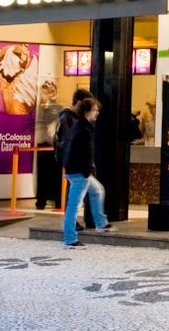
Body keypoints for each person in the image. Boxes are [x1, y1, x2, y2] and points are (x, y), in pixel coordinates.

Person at [60, 97, 111, 247]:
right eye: (95, 110)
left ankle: (101, 223)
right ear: (87, 111)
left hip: (78, 170)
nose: (97, 112)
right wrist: (87, 170)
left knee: (97, 190)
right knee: (74, 206)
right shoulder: (83, 130)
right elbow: (85, 153)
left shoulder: (79, 127)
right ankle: (70, 239)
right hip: (80, 172)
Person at [52, 88, 96, 227]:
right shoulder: (68, 118)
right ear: (79, 102)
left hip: (76, 160)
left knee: (79, 190)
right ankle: (71, 221)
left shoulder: (74, 118)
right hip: (74, 161)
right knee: (75, 190)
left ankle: (75, 220)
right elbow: (68, 140)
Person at [34, 81, 63, 210]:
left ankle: (56, 200)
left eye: (51, 91)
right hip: (45, 144)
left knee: (54, 174)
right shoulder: (41, 108)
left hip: (52, 144)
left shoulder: (56, 108)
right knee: (44, 174)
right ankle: (43, 200)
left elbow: (51, 126)